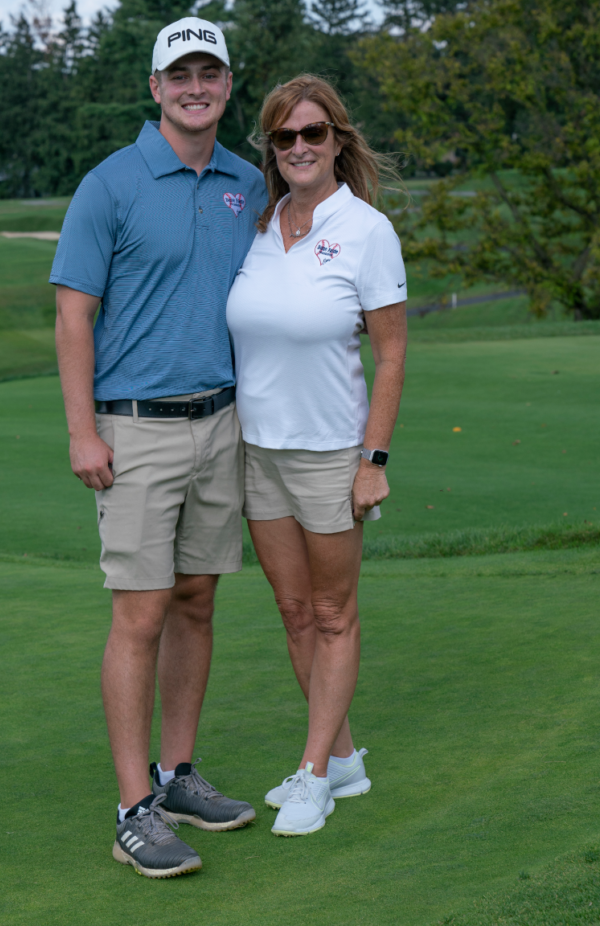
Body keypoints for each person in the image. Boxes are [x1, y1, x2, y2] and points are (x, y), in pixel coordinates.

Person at [50, 17, 267, 878]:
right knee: (139, 614)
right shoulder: (109, 185)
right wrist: (81, 431)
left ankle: (178, 776)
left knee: (199, 602)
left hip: (222, 423)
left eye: (209, 72)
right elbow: (74, 314)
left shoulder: (246, 182)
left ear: (225, 84)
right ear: (155, 88)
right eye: (180, 74)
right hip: (134, 425)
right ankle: (131, 807)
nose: (195, 86)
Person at [226, 74, 407, 837]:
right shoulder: (261, 226)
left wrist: (375, 458)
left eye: (314, 133)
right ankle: (342, 761)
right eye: (284, 136)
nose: (300, 147)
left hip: (332, 453)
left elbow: (392, 354)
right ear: (270, 147)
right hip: (257, 452)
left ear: (338, 140)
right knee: (295, 610)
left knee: (333, 613)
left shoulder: (367, 229)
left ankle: (312, 776)